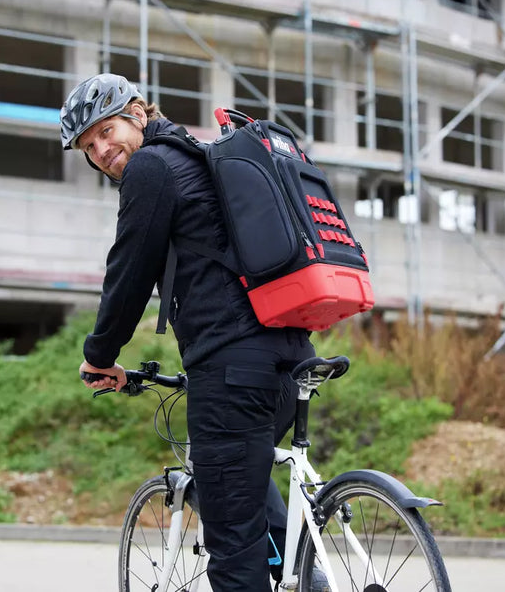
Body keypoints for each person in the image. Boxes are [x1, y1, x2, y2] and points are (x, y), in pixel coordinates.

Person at [61, 73, 317, 591]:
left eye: (106, 131)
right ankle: (309, 579)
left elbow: (129, 272)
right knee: (243, 485)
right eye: (88, 146)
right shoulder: (198, 157)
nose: (101, 150)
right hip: (289, 356)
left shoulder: (152, 166)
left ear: (138, 114)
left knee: (232, 548)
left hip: (232, 368)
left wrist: (99, 354)